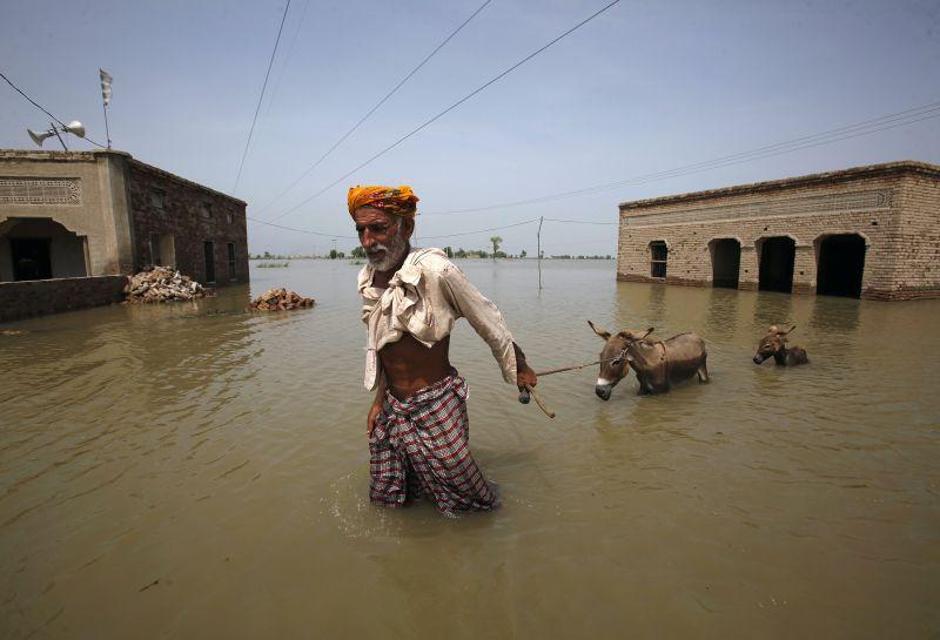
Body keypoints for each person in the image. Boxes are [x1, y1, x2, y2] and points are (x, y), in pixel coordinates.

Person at [350, 184, 537, 515]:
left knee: (473, 503)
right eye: (361, 230)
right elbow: (382, 348)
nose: (367, 241)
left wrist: (517, 366)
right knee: (388, 497)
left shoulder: (436, 271)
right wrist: (378, 402)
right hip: (393, 407)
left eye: (378, 228)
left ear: (406, 227)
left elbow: (489, 322)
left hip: (435, 405)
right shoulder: (369, 278)